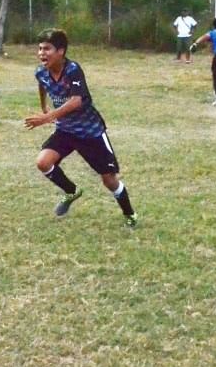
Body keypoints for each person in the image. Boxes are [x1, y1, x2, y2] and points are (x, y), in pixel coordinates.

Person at [24, 28, 139, 227]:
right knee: (43, 162)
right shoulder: (40, 71)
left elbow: (76, 101)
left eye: (47, 49)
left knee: (109, 180)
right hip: (66, 131)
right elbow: (42, 83)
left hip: (90, 132)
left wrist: (47, 117)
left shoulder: (73, 70)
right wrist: (44, 105)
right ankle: (71, 191)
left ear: (61, 51)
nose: (42, 53)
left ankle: (130, 214)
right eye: (40, 48)